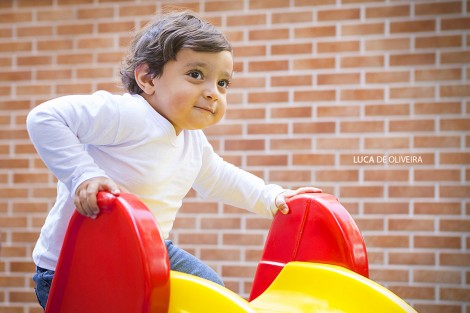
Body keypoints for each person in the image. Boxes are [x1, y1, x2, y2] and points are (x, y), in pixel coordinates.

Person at [27, 11, 321, 310]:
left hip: (149, 253)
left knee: (211, 292)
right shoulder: (128, 114)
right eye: (196, 75)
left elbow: (220, 177)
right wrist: (84, 175)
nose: (213, 93)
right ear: (147, 78)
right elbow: (46, 118)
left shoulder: (192, 141)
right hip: (75, 265)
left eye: (222, 83)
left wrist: (273, 197)